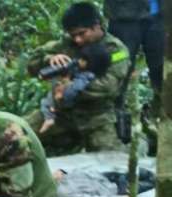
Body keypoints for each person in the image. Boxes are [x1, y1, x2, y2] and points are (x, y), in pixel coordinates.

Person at [26, 2, 131, 152]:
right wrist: (48, 59)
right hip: (61, 114)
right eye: (73, 35)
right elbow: (31, 64)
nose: (78, 40)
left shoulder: (115, 49)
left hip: (97, 118)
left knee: (112, 163)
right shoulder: (66, 43)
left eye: (82, 33)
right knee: (17, 134)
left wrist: (69, 88)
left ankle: (143, 142)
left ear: (96, 25)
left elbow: (108, 87)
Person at [104, 0, 164, 118]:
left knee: (162, 67)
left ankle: (158, 116)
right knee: (119, 66)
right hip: (124, 16)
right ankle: (115, 119)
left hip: (161, 14)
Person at [39, 43, 111, 134]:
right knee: (47, 101)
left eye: (83, 60)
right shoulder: (79, 70)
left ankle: (49, 118)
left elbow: (75, 89)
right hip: (63, 99)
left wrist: (61, 96)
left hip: (66, 101)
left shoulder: (86, 76)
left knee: (45, 103)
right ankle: (50, 115)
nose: (79, 61)